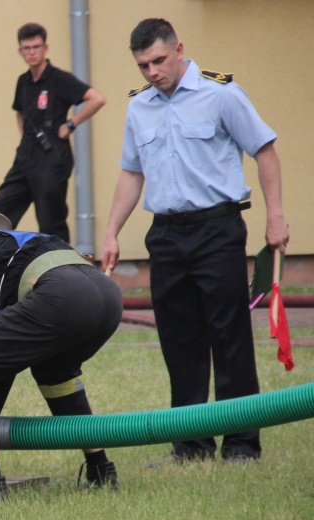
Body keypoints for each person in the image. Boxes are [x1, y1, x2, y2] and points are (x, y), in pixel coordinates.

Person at [100, 18, 288, 464]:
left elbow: (265, 150)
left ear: (179, 49)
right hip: (165, 233)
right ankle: (191, 445)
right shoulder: (139, 107)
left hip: (217, 229)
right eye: (143, 65)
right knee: (179, 340)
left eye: (159, 61)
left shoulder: (220, 94)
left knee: (229, 336)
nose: (151, 72)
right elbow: (132, 172)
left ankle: (241, 442)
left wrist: (276, 216)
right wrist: (111, 231)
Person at [0, 210, 122, 501]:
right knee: (55, 373)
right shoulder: (13, 248)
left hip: (64, 297)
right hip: (107, 296)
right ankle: (101, 470)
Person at [0, 23, 106, 245]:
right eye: (27, 48)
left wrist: (71, 124)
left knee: (50, 221)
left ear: (45, 48)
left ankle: (61, 270)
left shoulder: (59, 78)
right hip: (26, 155)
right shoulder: (23, 81)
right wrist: (25, 139)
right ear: (20, 51)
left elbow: (97, 99)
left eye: (36, 47)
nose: (32, 52)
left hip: (52, 155)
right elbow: (20, 112)